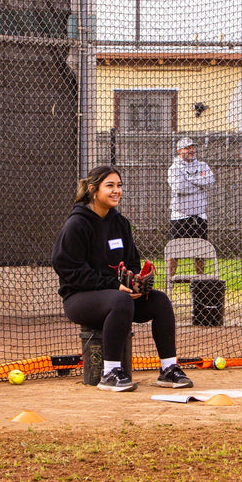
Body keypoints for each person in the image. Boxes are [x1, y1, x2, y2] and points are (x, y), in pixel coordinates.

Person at [53, 165, 193, 392]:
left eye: (119, 186)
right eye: (109, 186)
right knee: (121, 301)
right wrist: (114, 285)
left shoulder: (120, 223)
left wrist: (136, 282)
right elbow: (68, 268)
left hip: (118, 296)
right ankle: (110, 373)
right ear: (93, 190)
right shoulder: (77, 224)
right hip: (79, 298)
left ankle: (168, 369)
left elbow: (132, 261)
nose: (116, 190)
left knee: (159, 301)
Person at [167, 137, 215, 276]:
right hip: (180, 215)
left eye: (192, 147)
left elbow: (210, 180)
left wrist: (190, 179)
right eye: (187, 148)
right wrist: (199, 184)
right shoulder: (174, 168)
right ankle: (170, 282)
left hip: (199, 215)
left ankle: (200, 282)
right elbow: (180, 187)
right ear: (179, 151)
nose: (191, 150)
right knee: (174, 251)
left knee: (200, 251)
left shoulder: (203, 165)